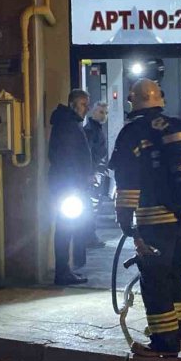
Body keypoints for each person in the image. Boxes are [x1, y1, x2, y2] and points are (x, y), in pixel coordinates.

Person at [109, 79, 181, 358]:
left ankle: (164, 342)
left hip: (153, 218)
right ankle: (179, 329)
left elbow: (127, 180)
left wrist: (124, 217)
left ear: (134, 102)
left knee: (154, 277)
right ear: (160, 101)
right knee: (174, 272)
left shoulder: (131, 133)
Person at [48, 89, 93, 285]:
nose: (87, 109)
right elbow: (66, 158)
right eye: (84, 104)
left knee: (67, 228)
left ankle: (64, 270)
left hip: (69, 185)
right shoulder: (67, 126)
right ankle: (63, 272)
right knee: (66, 229)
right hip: (68, 187)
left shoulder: (68, 124)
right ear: (74, 105)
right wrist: (77, 182)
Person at [83, 102, 109, 250]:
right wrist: (93, 172)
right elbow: (91, 153)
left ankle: (89, 236)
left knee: (93, 206)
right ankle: (89, 237)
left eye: (105, 112)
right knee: (92, 206)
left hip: (96, 172)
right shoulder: (91, 130)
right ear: (93, 112)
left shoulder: (95, 129)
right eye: (101, 112)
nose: (104, 115)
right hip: (94, 174)